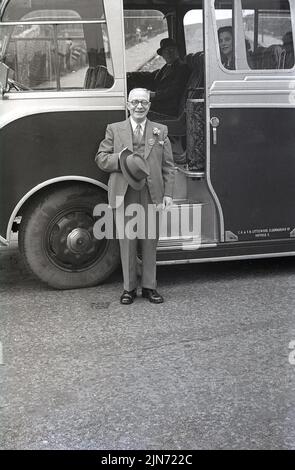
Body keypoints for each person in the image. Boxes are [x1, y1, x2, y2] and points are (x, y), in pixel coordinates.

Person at [95, 88, 175, 305]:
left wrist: (168, 194)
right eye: (135, 102)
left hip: (151, 193)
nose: (139, 106)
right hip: (125, 193)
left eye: (144, 102)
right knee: (127, 242)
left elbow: (169, 167)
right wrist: (122, 160)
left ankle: (149, 287)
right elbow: (101, 159)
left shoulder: (161, 131)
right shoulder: (114, 129)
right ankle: (128, 289)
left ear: (149, 105)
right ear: (128, 105)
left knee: (150, 241)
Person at [127, 38, 190, 117]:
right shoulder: (166, 67)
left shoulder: (182, 68)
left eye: (172, 49)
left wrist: (154, 95)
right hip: (161, 103)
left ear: (177, 51)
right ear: (162, 55)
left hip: (168, 107)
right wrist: (130, 75)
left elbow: (175, 90)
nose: (169, 53)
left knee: (133, 109)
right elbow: (150, 75)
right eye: (166, 51)